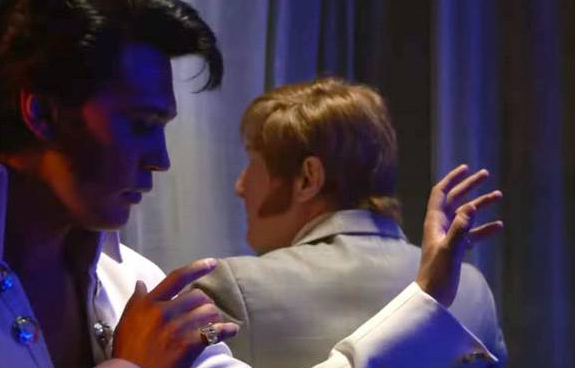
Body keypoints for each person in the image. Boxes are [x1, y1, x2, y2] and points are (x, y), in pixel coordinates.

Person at [0, 0, 503, 367]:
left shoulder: (135, 283)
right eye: (139, 124)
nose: (160, 159)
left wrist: (425, 299)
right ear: (42, 112)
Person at [191, 78, 508, 367]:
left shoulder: (230, 289)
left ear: (308, 178)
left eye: (253, 164)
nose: (240, 186)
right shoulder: (473, 290)